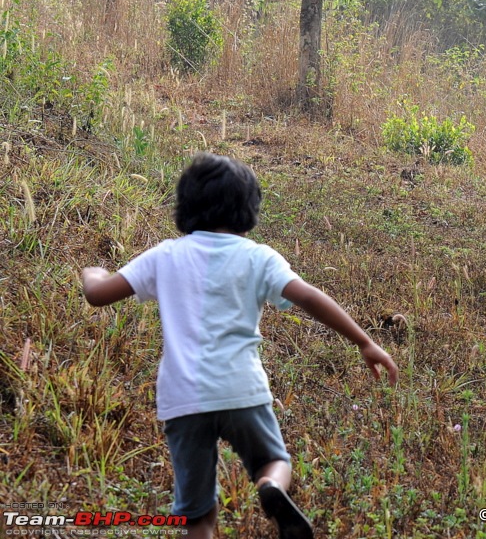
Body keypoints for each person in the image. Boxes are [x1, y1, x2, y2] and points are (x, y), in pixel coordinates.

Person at [82, 152, 398, 539]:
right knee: (273, 460)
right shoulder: (258, 257)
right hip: (241, 390)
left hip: (184, 398)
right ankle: (272, 488)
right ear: (249, 209)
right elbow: (310, 297)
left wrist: (92, 272)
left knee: (196, 515)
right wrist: (364, 341)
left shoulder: (165, 256)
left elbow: (98, 294)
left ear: (185, 207)